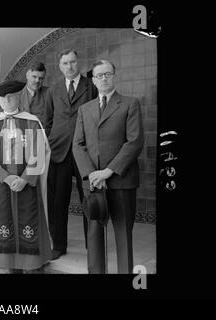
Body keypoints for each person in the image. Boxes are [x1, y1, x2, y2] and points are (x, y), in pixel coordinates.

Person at [73, 60, 144, 273]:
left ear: (114, 76)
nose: (104, 78)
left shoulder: (130, 103)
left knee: (123, 234)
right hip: (93, 183)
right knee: (94, 236)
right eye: (99, 75)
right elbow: (77, 145)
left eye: (108, 74)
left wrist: (108, 171)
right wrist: (92, 173)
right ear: (93, 80)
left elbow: (135, 142)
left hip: (121, 181)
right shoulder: (84, 109)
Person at [0, 80, 52, 274]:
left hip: (28, 185)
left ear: (18, 96)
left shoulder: (31, 121)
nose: (7, 100)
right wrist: (8, 178)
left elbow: (40, 153)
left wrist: (25, 179)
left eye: (11, 96)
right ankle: (10, 264)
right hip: (3, 186)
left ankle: (32, 264)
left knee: (30, 219)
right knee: (5, 221)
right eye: (3, 97)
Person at [45, 49, 98, 260]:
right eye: (65, 63)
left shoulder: (91, 86)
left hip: (84, 150)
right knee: (58, 201)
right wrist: (50, 141)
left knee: (89, 197)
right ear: (60, 67)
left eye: (73, 62)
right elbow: (48, 120)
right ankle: (59, 245)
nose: (70, 66)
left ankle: (92, 243)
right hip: (59, 152)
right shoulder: (54, 90)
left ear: (79, 63)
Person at [20, 61, 49, 127]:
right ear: (27, 75)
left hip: (42, 135)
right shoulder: (16, 94)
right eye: (34, 77)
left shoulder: (49, 93)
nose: (37, 81)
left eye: (41, 78)